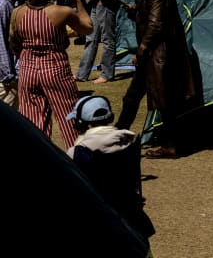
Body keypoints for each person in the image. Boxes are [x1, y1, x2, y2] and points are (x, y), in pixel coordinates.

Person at [118, 0, 203, 159]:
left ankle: (170, 145)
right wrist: (136, 10)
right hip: (154, 57)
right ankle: (119, 135)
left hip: (158, 57)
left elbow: (156, 25)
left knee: (164, 103)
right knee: (135, 98)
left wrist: (141, 51)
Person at [9, 0, 91, 148]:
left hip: (28, 71)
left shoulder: (17, 13)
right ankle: (78, 160)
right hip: (56, 69)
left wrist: (27, 59)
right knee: (70, 119)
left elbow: (14, 45)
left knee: (34, 124)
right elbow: (88, 27)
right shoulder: (62, 12)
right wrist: (77, 0)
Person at [66, 95, 155, 241]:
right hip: (131, 217)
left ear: (86, 125)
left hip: (97, 220)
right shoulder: (129, 143)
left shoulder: (76, 153)